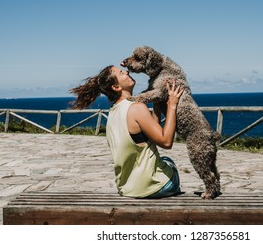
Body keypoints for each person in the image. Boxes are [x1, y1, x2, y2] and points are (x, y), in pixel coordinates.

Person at [70, 65, 184, 198]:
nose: (126, 71)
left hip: (127, 188)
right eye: (121, 72)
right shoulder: (137, 108)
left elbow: (152, 134)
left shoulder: (113, 113)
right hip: (154, 186)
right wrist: (172, 105)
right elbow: (166, 141)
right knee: (168, 161)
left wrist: (157, 103)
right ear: (116, 87)